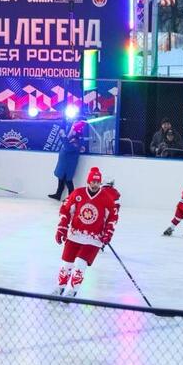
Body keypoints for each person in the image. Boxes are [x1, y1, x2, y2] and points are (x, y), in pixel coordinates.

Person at [54, 167, 120, 298]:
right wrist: (62, 227)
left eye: (97, 182)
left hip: (93, 239)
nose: (95, 184)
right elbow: (66, 210)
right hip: (74, 235)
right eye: (93, 181)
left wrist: (108, 232)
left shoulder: (106, 198)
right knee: (66, 265)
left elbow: (113, 217)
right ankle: (59, 288)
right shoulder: (78, 193)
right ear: (88, 181)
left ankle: (72, 291)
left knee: (80, 264)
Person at [49, 118, 87, 200]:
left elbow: (68, 147)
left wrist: (63, 136)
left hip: (68, 166)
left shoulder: (78, 141)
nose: (71, 130)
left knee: (68, 181)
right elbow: (66, 141)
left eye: (73, 128)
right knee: (61, 179)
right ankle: (58, 194)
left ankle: (71, 198)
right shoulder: (74, 136)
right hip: (64, 164)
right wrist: (63, 135)